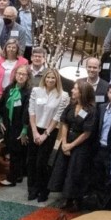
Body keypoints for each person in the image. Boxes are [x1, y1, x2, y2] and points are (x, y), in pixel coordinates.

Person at [50, 83, 97, 211]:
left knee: (75, 172)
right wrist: (64, 142)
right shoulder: (72, 105)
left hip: (81, 145)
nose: (72, 90)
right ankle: (67, 198)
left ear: (82, 92)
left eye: (75, 88)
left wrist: (71, 145)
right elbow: (64, 122)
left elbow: (87, 133)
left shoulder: (91, 110)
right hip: (67, 140)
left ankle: (77, 200)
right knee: (64, 169)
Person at [28, 69, 68, 202]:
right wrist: (34, 132)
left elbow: (57, 117)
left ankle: (43, 189)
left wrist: (45, 134)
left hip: (50, 131)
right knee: (32, 161)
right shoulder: (36, 91)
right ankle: (32, 188)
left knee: (42, 163)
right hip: (35, 129)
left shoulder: (62, 95)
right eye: (48, 77)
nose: (50, 80)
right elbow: (32, 111)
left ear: (57, 80)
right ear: (44, 78)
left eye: (53, 78)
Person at [0, 63, 32, 187]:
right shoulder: (9, 88)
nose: (21, 76)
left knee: (17, 152)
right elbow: (0, 106)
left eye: (24, 74)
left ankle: (11, 178)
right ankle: (17, 175)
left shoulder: (28, 92)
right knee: (13, 152)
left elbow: (27, 112)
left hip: (20, 127)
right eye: (19, 73)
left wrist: (24, 129)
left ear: (28, 77)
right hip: (8, 125)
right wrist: (0, 120)